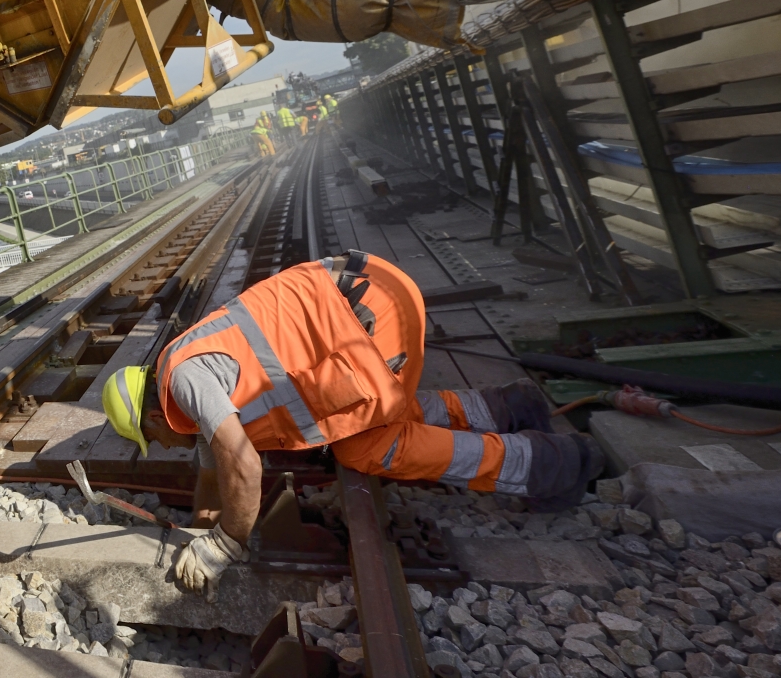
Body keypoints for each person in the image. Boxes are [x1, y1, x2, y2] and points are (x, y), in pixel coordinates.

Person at [101, 251, 602, 601]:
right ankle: (507, 407)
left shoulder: (185, 379)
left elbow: (241, 463)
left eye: (154, 440)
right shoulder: (182, 369)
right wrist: (205, 521)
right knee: (367, 411)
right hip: (372, 296)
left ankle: (549, 465)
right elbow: (213, 463)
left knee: (368, 447)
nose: (163, 444)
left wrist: (227, 543)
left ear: (150, 415)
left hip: (370, 316)